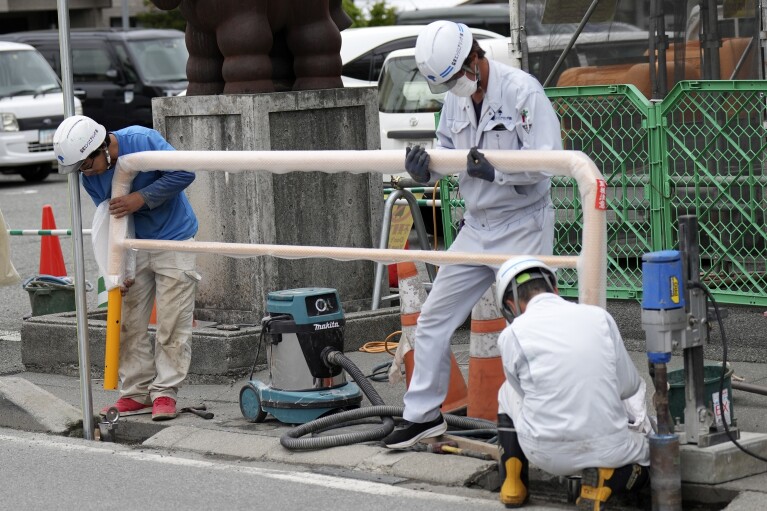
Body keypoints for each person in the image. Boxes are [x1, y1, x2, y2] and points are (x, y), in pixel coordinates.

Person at [382, 20, 562, 449]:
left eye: (456, 78)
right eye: (446, 84)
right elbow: (446, 150)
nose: (455, 89)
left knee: (529, 329)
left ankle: (546, 420)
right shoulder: (455, 103)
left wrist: (497, 171)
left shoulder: (523, 92)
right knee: (431, 321)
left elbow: (550, 162)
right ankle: (422, 415)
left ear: (475, 59)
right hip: (477, 227)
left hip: (522, 225)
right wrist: (427, 169)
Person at [53, 115, 199, 421]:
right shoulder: (89, 176)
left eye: (86, 164)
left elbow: (185, 171)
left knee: (173, 322)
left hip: (174, 238)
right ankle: (134, 392)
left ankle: (165, 393)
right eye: (79, 167)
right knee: (129, 321)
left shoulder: (142, 139)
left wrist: (140, 199)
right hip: (131, 246)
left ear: (100, 148)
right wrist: (119, 267)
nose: (84, 172)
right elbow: (110, 219)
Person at [493, 256, 650, 509]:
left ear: (510, 305)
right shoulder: (599, 317)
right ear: (555, 289)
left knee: (506, 392)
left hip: (545, 453)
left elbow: (522, 392)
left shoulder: (511, 335)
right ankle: (605, 482)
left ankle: (513, 485)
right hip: (609, 447)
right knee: (651, 457)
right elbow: (628, 386)